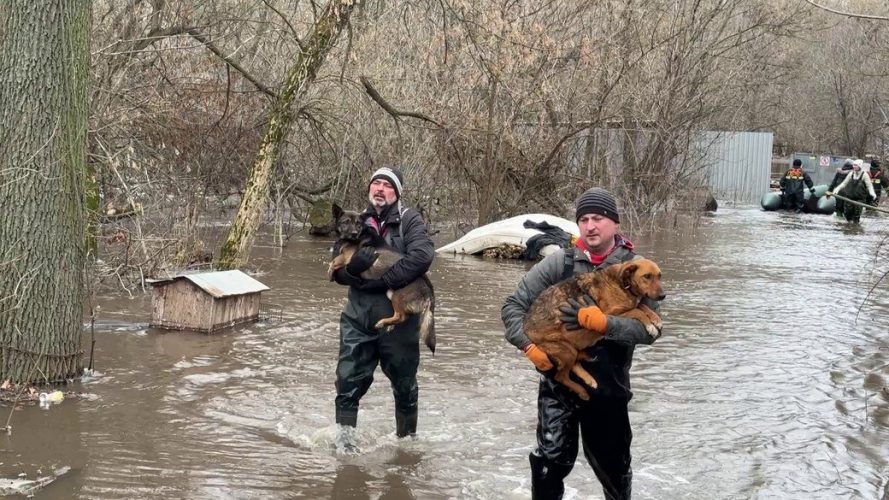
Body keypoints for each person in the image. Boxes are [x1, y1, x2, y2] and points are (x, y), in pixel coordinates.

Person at [502, 187, 661, 500]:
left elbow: (650, 332)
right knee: (548, 462)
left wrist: (605, 324)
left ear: (615, 224)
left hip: (609, 386)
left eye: (599, 218)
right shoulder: (560, 262)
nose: (591, 226)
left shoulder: (639, 269)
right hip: (557, 382)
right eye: (584, 219)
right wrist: (528, 347)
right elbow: (513, 306)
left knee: (614, 469)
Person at [330, 167, 435, 445]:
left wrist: (383, 281)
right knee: (347, 381)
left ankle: (406, 444)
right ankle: (344, 444)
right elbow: (337, 272)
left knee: (404, 385)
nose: (379, 189)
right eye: (375, 183)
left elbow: (422, 257)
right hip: (358, 315)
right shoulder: (352, 221)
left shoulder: (410, 219)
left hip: (397, 321)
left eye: (387, 185)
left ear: (397, 193)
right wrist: (353, 272)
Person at [829, 159, 876, 223]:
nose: (854, 166)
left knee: (856, 216)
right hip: (849, 197)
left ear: (859, 166)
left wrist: (872, 194)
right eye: (853, 165)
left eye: (856, 165)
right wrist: (837, 189)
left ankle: (854, 228)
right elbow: (844, 183)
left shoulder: (864, 175)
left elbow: (869, 186)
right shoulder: (851, 174)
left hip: (859, 199)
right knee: (847, 214)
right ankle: (849, 227)